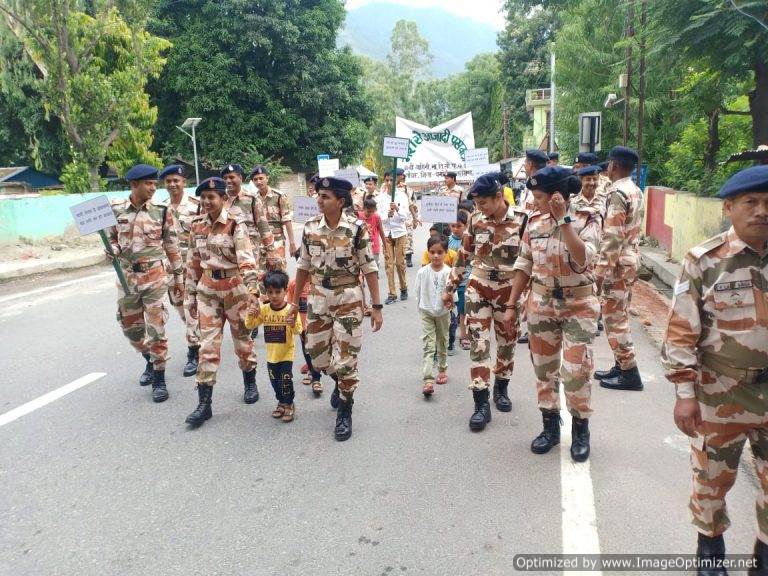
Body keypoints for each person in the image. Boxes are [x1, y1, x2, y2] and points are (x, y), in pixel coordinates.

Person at [662, 165, 768, 572]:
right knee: (712, 479)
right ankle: (710, 549)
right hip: (720, 391)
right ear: (729, 208)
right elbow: (681, 332)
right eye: (751, 202)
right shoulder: (705, 261)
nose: (761, 211)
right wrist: (685, 394)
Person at [504, 167, 602, 461]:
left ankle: (581, 429)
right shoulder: (533, 223)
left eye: (539, 197)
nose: (533, 203)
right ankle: (549, 426)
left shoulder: (587, 218)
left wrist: (564, 222)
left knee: (576, 372)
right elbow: (523, 265)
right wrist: (510, 305)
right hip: (542, 305)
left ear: (558, 196)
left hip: (578, 307)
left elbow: (584, 257)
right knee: (544, 370)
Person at [292, 177, 383, 441]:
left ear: (340, 202)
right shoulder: (310, 228)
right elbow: (303, 267)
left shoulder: (356, 229)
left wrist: (376, 306)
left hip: (349, 300)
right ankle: (342, 382)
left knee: (346, 360)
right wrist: (294, 302)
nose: (319, 200)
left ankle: (345, 409)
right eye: (318, 196)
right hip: (319, 298)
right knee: (317, 357)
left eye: (325, 197)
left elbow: (369, 268)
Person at [442, 173, 528, 431]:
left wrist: (529, 295)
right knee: (478, 344)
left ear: (499, 197)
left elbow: (529, 262)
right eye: (477, 204)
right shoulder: (475, 220)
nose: (480, 209)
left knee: (507, 342)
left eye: (484, 203)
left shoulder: (522, 221)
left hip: (508, 290)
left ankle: (501, 387)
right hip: (478, 288)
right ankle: (481, 403)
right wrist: (450, 288)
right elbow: (464, 254)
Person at [184, 177, 261, 427]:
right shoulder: (196, 226)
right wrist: (190, 295)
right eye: (203, 197)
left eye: (212, 197)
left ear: (223, 199)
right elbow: (193, 262)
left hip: (234, 290)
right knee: (207, 346)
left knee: (243, 342)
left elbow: (246, 258)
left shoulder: (235, 225)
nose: (206, 202)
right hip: (208, 291)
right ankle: (204, 404)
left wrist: (252, 290)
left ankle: (250, 381)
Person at [108, 164, 183, 403]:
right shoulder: (116, 209)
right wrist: (111, 250)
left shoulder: (161, 211)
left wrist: (178, 278)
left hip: (155, 277)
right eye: (148, 184)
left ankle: (159, 377)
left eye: (154, 183)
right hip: (126, 278)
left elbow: (172, 247)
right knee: (131, 329)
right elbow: (111, 238)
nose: (153, 188)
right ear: (134, 185)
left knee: (157, 329)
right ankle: (148, 359)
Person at [594, 146, 645, 391]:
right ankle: (620, 365)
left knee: (615, 319)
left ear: (613, 165)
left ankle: (629, 372)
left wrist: (600, 271)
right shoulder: (635, 190)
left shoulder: (617, 193)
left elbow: (613, 235)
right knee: (619, 314)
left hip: (617, 264)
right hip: (629, 259)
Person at [158, 164, 201, 377]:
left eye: (176, 180)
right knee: (180, 307)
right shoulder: (160, 208)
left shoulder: (197, 206)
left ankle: (194, 351)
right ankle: (200, 335)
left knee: (190, 305)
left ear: (184, 182)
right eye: (168, 181)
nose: (173, 184)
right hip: (170, 269)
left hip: (193, 267)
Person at [245, 270, 303, 423]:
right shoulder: (264, 309)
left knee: (285, 380)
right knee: (274, 382)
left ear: (285, 291)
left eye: (278, 292)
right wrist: (250, 314)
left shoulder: (290, 309)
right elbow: (250, 325)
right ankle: (281, 402)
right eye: (270, 292)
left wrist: (292, 324)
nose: (274, 296)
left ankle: (289, 403)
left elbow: (299, 330)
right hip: (272, 356)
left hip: (286, 354)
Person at [416, 237, 452, 396]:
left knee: (443, 341)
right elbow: (418, 293)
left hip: (443, 313)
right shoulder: (422, 272)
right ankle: (428, 380)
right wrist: (421, 308)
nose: (436, 256)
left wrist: (451, 303)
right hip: (426, 313)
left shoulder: (448, 272)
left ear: (446, 253)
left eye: (440, 252)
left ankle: (442, 369)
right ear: (427, 253)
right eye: (432, 252)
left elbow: (452, 294)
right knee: (428, 345)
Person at [249, 164, 297, 263]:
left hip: (277, 240)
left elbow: (287, 220)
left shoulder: (279, 196)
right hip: (259, 241)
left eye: (261, 178)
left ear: (267, 178)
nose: (259, 181)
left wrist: (292, 243)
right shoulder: (252, 199)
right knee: (260, 273)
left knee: (277, 272)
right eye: (255, 179)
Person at [377, 173, 410, 304]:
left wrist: (397, 209)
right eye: (387, 180)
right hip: (386, 233)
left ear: (396, 181)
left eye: (392, 180)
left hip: (400, 232)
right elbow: (379, 217)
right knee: (389, 265)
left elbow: (405, 216)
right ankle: (392, 293)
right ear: (384, 181)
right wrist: (387, 215)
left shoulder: (402, 196)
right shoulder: (380, 198)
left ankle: (403, 288)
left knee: (400, 263)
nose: (389, 182)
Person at [287, 276, 323, 396]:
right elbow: (290, 305)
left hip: (320, 324)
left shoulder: (320, 280)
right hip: (303, 326)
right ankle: (316, 378)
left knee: (320, 351)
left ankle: (315, 368)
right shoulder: (294, 284)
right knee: (307, 350)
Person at [447, 212, 470, 355]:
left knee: (463, 310)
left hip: (465, 281)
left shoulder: (468, 240)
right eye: (453, 226)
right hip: (449, 281)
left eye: (459, 226)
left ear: (466, 226)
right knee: (449, 308)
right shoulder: (447, 241)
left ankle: (464, 335)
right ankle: (448, 335)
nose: (456, 229)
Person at [397, 168, 420, 268]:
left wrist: (415, 219)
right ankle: (399, 257)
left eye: (401, 176)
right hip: (395, 216)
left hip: (407, 217)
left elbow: (413, 205)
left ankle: (408, 258)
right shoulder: (389, 188)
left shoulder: (408, 189)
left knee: (409, 237)